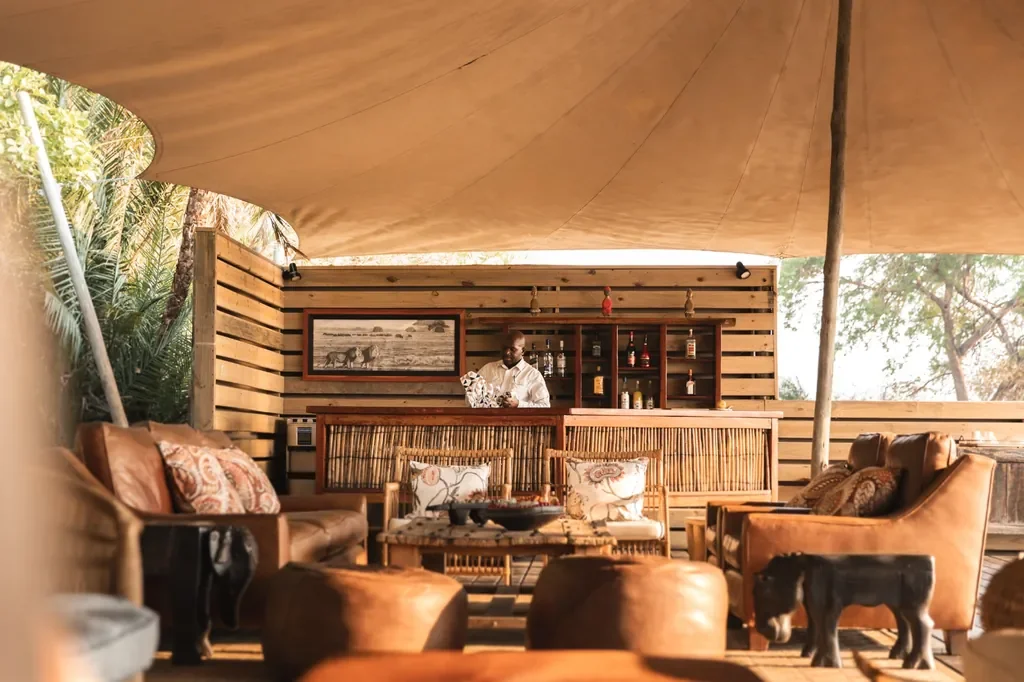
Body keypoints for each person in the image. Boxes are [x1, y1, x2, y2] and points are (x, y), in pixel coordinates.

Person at [474, 331, 550, 408]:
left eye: (512, 349)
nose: (507, 352)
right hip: (488, 419)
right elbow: (471, 399)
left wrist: (519, 404)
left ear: (523, 351)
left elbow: (544, 406)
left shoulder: (532, 375)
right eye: (504, 348)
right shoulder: (487, 369)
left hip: (518, 420)